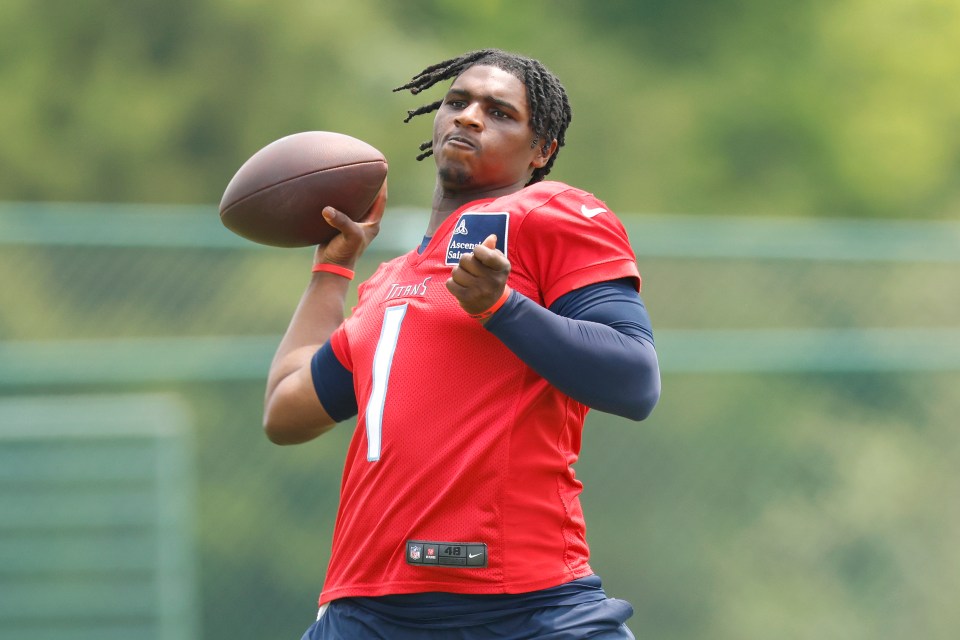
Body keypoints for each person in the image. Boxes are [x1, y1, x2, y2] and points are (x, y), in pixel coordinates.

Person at [263, 48, 661, 640]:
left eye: (500, 112)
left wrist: (501, 308)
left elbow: (635, 378)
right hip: (366, 611)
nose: (469, 116)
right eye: (457, 102)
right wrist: (333, 270)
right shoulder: (389, 283)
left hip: (523, 607)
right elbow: (285, 412)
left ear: (542, 150)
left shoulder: (550, 212)